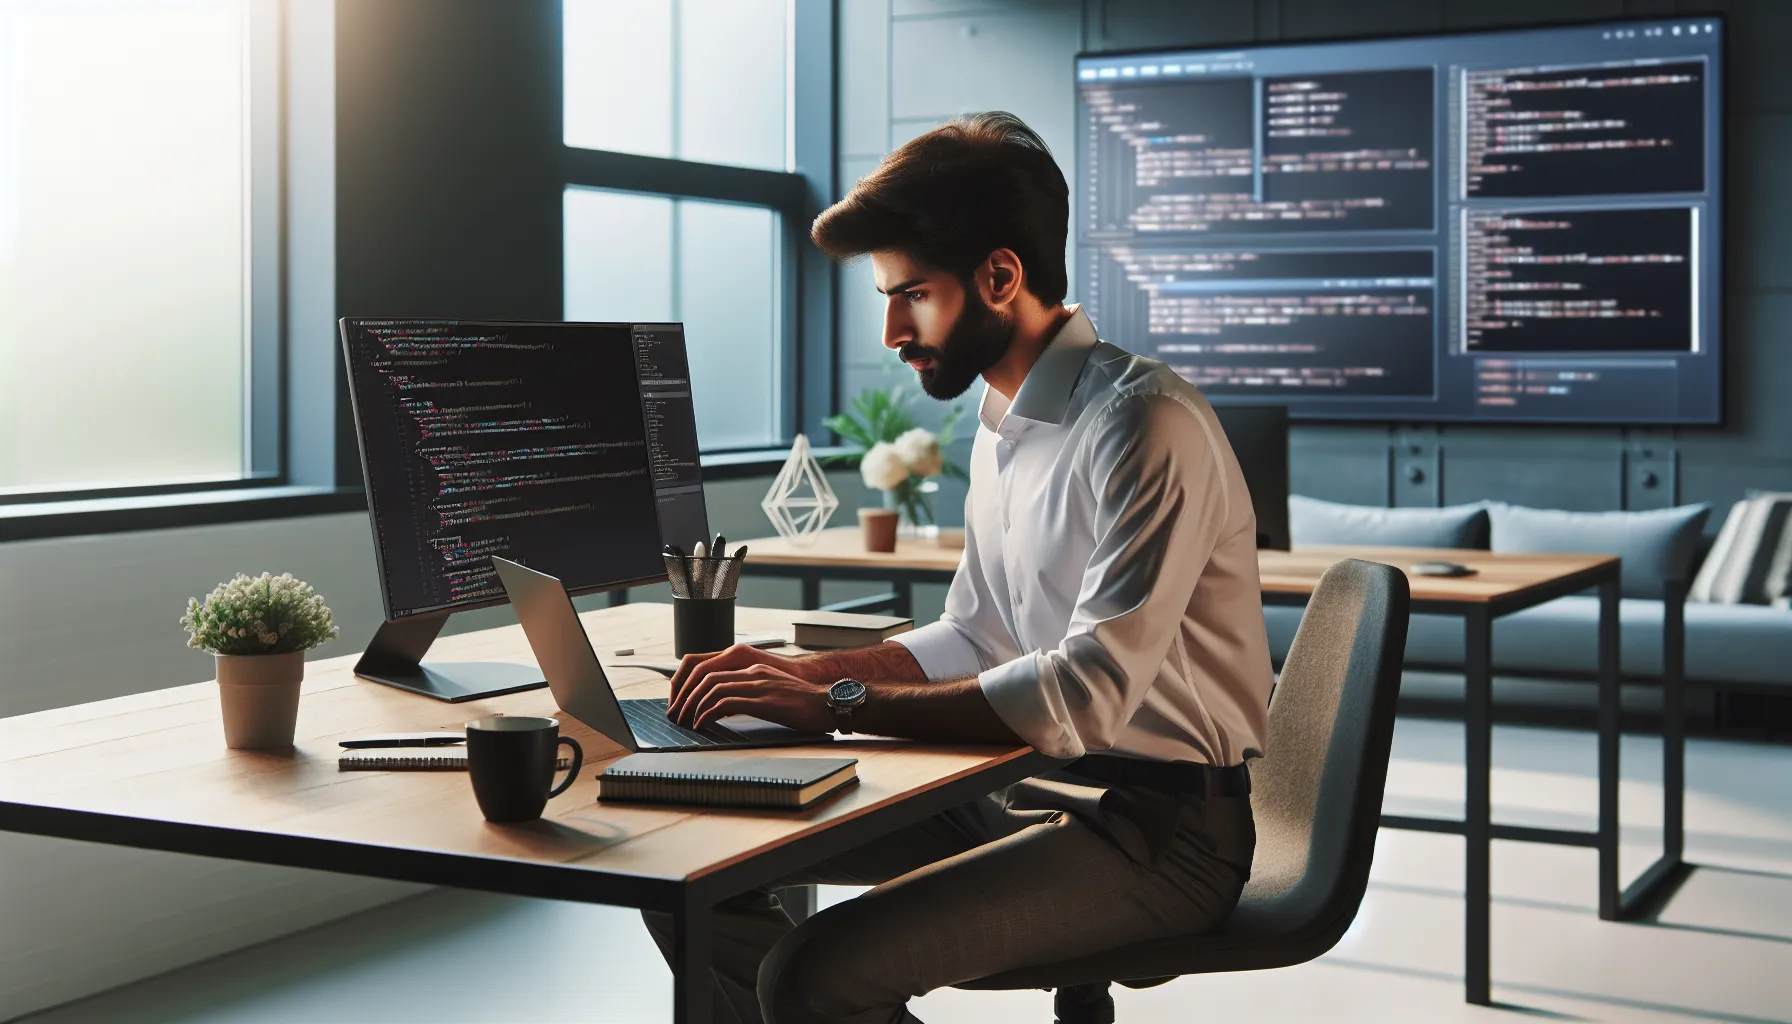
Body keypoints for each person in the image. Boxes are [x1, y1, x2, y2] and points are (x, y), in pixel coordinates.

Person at [651, 111, 1274, 1024]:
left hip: (1156, 834)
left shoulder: (1147, 423)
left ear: (999, 276)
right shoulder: (1001, 427)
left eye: (913, 296)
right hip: (1018, 791)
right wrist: (803, 675)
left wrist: (834, 705)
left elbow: (1084, 692)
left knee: (813, 977)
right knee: (690, 874)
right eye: (887, 301)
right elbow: (974, 635)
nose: (894, 332)